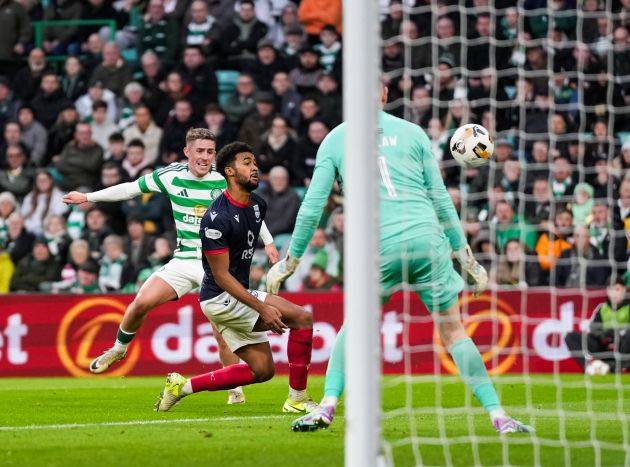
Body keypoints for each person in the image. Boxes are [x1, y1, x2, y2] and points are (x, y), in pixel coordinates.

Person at [267, 84, 532, 434]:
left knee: (355, 326)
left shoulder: (335, 139)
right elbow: (440, 199)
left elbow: (313, 205)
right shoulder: (412, 132)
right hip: (427, 239)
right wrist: (466, 257)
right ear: (385, 93)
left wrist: (291, 261)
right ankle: (499, 416)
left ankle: (327, 406)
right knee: (453, 332)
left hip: (380, 245)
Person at [63, 128, 279, 406]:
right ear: (187, 151)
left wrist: (269, 242)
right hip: (183, 259)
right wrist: (89, 197)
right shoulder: (170, 176)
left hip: (214, 263)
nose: (205, 157)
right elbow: (130, 189)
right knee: (141, 302)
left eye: (210, 152)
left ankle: (234, 390)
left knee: (220, 330)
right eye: (199, 151)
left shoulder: (223, 179)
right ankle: (118, 349)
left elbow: (251, 211)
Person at [154, 141, 316, 414]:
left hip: (236, 293)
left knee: (263, 370)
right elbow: (220, 275)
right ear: (229, 172)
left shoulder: (257, 205)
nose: (255, 168)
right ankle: (297, 398)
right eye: (246, 162)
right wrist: (262, 306)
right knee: (302, 318)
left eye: (254, 162)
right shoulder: (216, 218)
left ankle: (181, 387)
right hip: (220, 296)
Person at [565, 279, 629, 374]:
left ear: (625, 290)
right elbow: (593, 329)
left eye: (617, 289)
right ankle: (589, 367)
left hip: (623, 346)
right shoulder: (602, 308)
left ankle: (617, 368)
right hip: (605, 345)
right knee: (570, 336)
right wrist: (604, 335)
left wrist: (618, 333)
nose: (614, 293)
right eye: (611, 289)